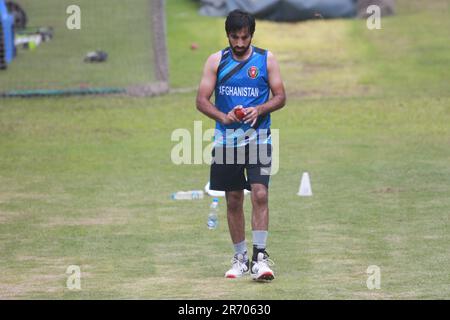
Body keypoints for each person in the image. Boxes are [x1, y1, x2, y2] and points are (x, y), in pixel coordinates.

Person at [196, 9, 286, 281]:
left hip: (259, 139)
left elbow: (280, 96)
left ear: (251, 36)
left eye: (244, 37)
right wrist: (223, 116)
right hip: (226, 142)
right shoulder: (216, 61)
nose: (239, 43)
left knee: (260, 194)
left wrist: (259, 109)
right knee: (233, 199)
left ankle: (260, 259)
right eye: (234, 37)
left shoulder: (266, 59)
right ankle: (240, 258)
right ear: (228, 35)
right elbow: (201, 100)